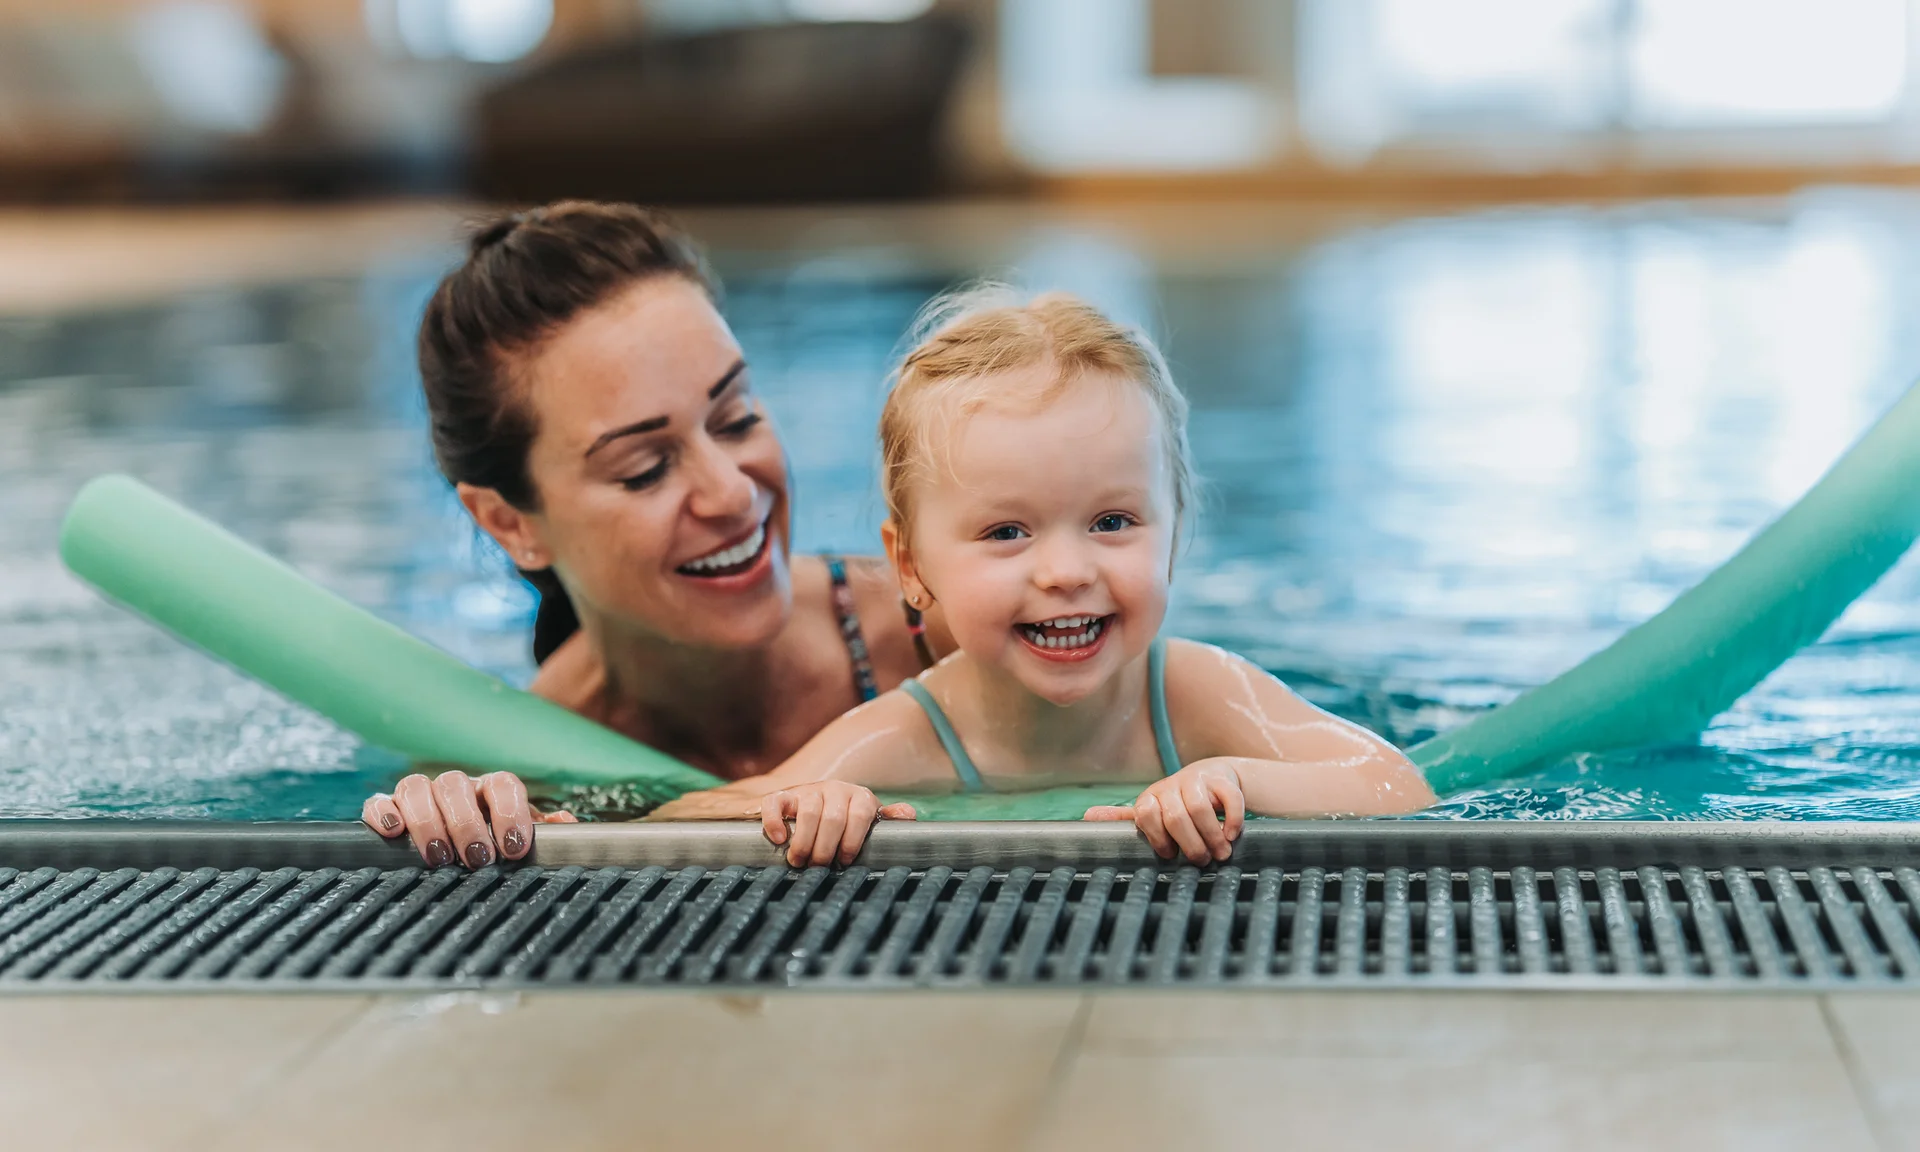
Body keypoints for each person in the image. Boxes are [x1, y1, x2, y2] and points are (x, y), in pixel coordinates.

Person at [667, 289, 1436, 867]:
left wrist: (1232, 777)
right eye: (1007, 533)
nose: (1067, 572)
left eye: (1112, 522)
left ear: (1173, 533)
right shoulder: (904, 736)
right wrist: (810, 803)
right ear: (911, 567)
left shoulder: (1196, 693)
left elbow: (1398, 789)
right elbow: (685, 820)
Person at [362, 201, 941, 867]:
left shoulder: (942, 635)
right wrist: (446, 817)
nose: (731, 492)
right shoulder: (520, 770)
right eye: (644, 469)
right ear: (510, 523)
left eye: (735, 418)